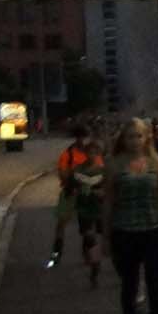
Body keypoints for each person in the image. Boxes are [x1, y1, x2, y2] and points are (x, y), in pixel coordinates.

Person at [101, 118, 158, 314]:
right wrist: (106, 236)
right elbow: (109, 201)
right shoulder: (114, 165)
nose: (135, 141)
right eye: (130, 137)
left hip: (152, 229)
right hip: (124, 231)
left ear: (146, 139)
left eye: (139, 136)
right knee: (130, 285)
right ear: (123, 140)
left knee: (155, 285)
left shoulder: (157, 164)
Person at [48, 119, 106, 286]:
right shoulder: (69, 154)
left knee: (90, 226)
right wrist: (72, 182)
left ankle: (88, 252)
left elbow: (101, 173)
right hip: (72, 192)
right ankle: (56, 252)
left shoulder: (95, 154)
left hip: (90, 196)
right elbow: (63, 173)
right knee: (61, 223)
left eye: (86, 137)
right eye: (81, 137)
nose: (84, 140)